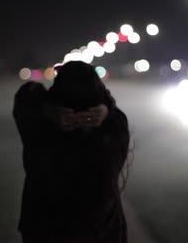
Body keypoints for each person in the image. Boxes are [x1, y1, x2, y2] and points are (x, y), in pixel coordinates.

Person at [13, 61, 130, 243]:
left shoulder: (40, 128)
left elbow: (27, 93)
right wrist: (106, 109)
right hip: (103, 233)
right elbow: (117, 114)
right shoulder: (113, 127)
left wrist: (48, 110)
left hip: (43, 231)